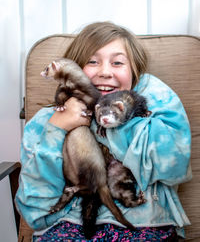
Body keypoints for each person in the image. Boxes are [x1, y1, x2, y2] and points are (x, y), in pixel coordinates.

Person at [15, 22, 192, 241]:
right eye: (92, 62)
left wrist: (118, 119)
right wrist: (58, 128)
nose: (105, 72)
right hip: (68, 225)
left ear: (135, 72)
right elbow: (34, 210)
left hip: (146, 225)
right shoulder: (48, 121)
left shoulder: (151, 108)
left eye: (118, 62)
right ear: (74, 69)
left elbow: (174, 167)